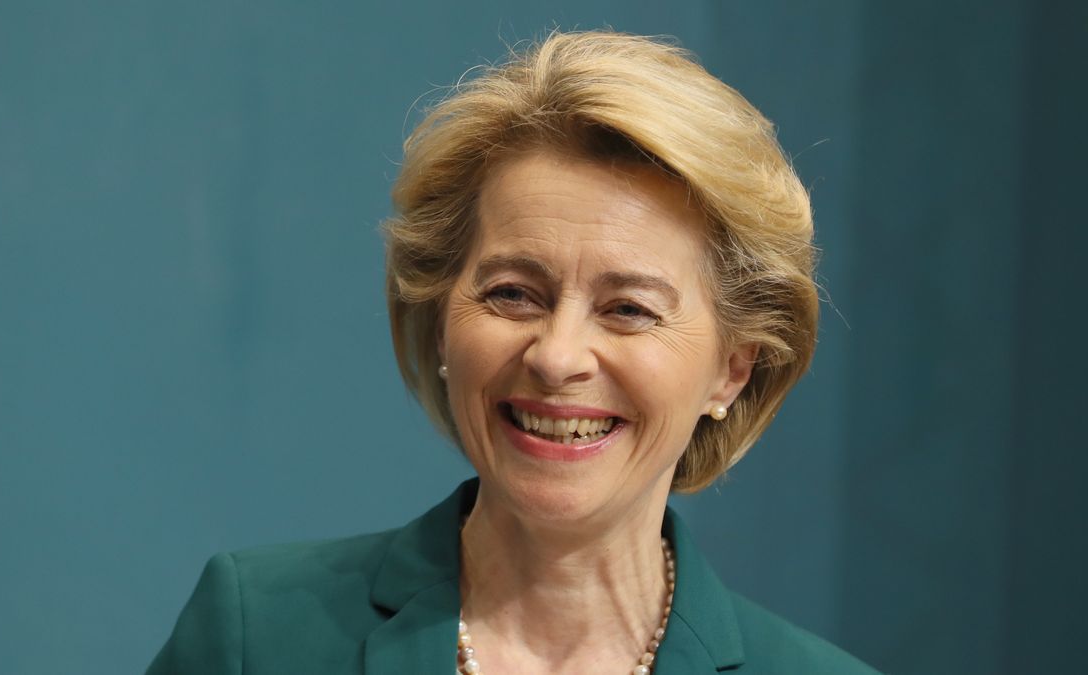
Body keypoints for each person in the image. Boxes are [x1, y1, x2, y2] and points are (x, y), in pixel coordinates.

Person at [146, 30, 878, 675]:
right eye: (512, 293)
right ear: (439, 316)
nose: (557, 357)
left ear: (734, 367)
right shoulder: (256, 638)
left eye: (629, 309)